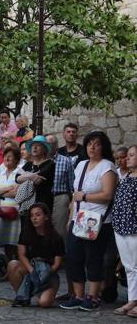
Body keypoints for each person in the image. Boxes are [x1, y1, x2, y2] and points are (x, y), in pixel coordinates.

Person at [60, 131, 118, 312]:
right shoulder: (81, 165)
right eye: (89, 143)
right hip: (79, 219)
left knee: (93, 258)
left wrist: (85, 196)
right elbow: (73, 196)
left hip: (98, 221)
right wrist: (70, 218)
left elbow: (108, 195)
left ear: (103, 147)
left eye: (97, 144)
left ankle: (93, 297)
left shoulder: (107, 166)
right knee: (74, 257)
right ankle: (78, 295)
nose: (92, 147)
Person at [8, 203, 64, 308]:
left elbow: (57, 263)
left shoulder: (56, 238)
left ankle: (44, 292)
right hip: (30, 268)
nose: (34, 218)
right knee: (13, 265)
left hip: (48, 273)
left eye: (38, 215)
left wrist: (45, 273)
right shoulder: (26, 233)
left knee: (44, 303)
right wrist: (32, 271)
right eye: (32, 215)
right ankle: (23, 297)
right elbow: (21, 255)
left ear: (46, 217)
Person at [111, 145, 137, 316]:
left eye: (132, 155)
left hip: (134, 225)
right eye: (127, 155)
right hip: (121, 224)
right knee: (128, 265)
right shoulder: (125, 175)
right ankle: (132, 299)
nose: (128, 158)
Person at [0, 147, 22, 260]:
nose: (7, 158)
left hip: (15, 211)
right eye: (5, 156)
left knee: (13, 239)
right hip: (0, 210)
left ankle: (15, 262)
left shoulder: (20, 173)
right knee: (3, 238)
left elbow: (17, 193)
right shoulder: (1, 173)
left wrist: (0, 193)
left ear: (17, 160)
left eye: (10, 156)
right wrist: (8, 189)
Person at [16, 136, 55, 212]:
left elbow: (39, 179)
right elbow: (17, 178)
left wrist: (25, 175)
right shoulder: (28, 164)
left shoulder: (50, 164)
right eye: (33, 145)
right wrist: (31, 176)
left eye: (38, 145)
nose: (35, 147)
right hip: (27, 205)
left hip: (43, 204)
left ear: (45, 149)